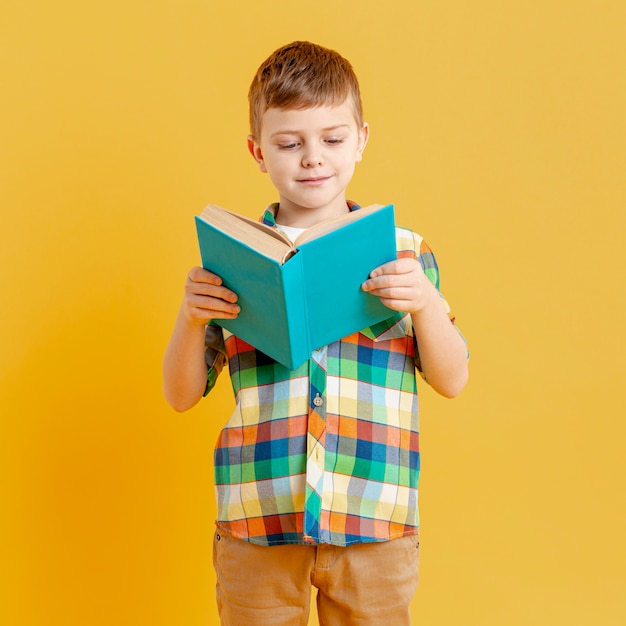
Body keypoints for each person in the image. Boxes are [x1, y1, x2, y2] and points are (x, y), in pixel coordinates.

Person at [163, 40, 468, 626]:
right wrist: (190, 316)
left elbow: (452, 378)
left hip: (373, 515)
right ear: (258, 152)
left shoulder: (404, 252)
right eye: (288, 143)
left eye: (331, 139)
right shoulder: (236, 259)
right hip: (258, 516)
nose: (312, 159)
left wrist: (425, 304)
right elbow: (180, 395)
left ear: (361, 140)